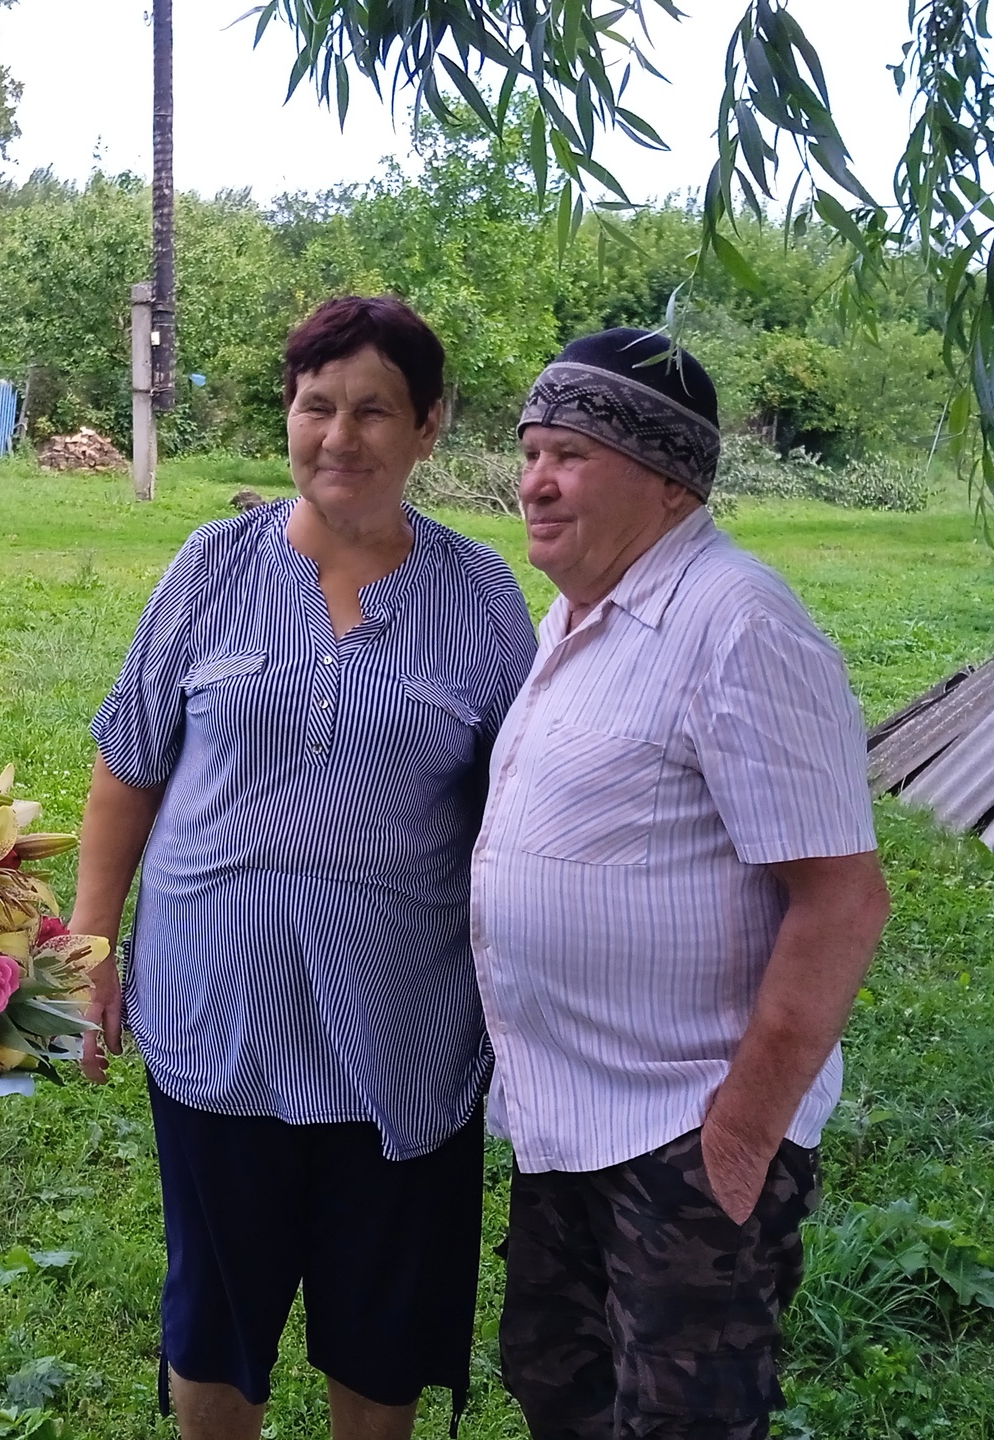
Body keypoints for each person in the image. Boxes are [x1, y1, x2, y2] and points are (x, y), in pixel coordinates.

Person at [70, 296, 539, 1440]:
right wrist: (87, 947)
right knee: (214, 1318)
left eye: (374, 410)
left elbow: (518, 819)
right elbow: (126, 765)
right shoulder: (211, 567)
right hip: (213, 1016)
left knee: (382, 1332)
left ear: (428, 427)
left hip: (403, 1037)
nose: (339, 435)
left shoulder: (482, 603)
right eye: (315, 404)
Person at [470, 328, 893, 1439]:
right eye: (529, 451)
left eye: (569, 454)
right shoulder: (578, 615)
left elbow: (842, 901)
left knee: (684, 1422)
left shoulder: (738, 625)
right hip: (567, 1119)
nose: (534, 481)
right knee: (561, 1387)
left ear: (664, 479)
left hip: (680, 1134)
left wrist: (738, 1141)